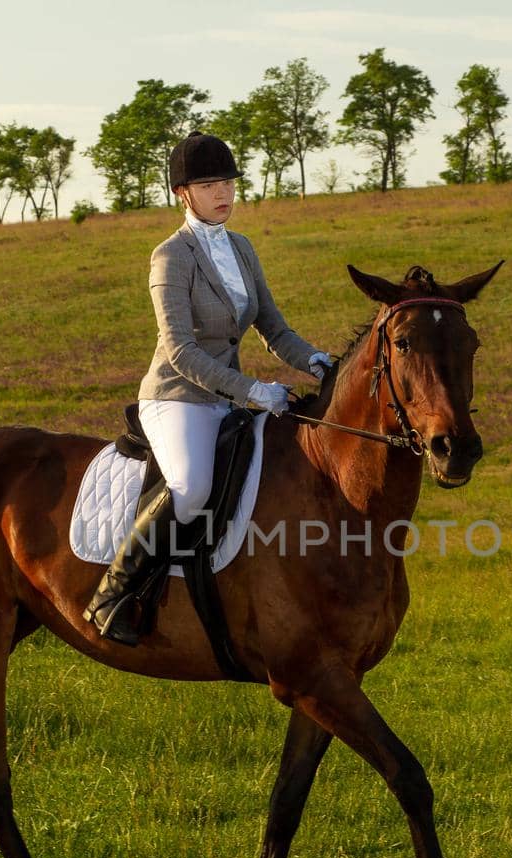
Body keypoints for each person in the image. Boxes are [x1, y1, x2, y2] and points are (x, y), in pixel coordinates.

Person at [84, 131, 333, 645]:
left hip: (229, 397)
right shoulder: (170, 257)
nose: (223, 193)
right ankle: (114, 592)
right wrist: (252, 391)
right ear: (184, 193)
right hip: (177, 397)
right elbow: (180, 351)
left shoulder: (241, 249)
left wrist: (315, 361)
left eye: (228, 183)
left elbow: (272, 327)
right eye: (209, 184)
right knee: (191, 487)